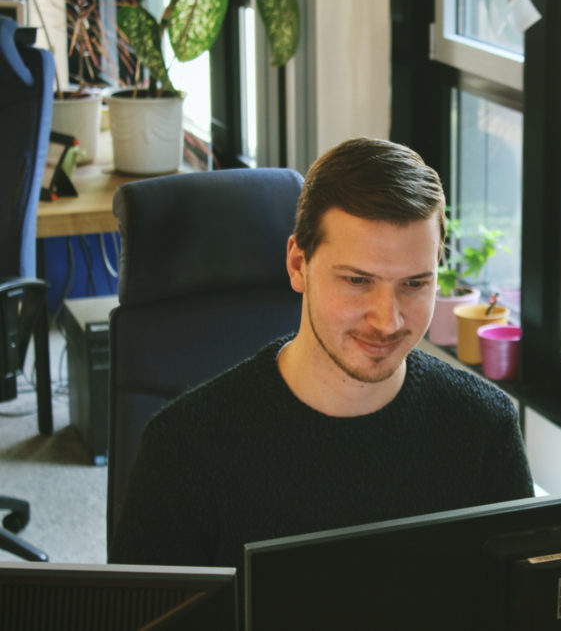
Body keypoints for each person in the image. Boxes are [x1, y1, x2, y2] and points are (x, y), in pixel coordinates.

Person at [109, 137, 534, 574]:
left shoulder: (485, 428)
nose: (387, 321)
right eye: (357, 281)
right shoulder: (185, 447)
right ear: (298, 265)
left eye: (414, 284)